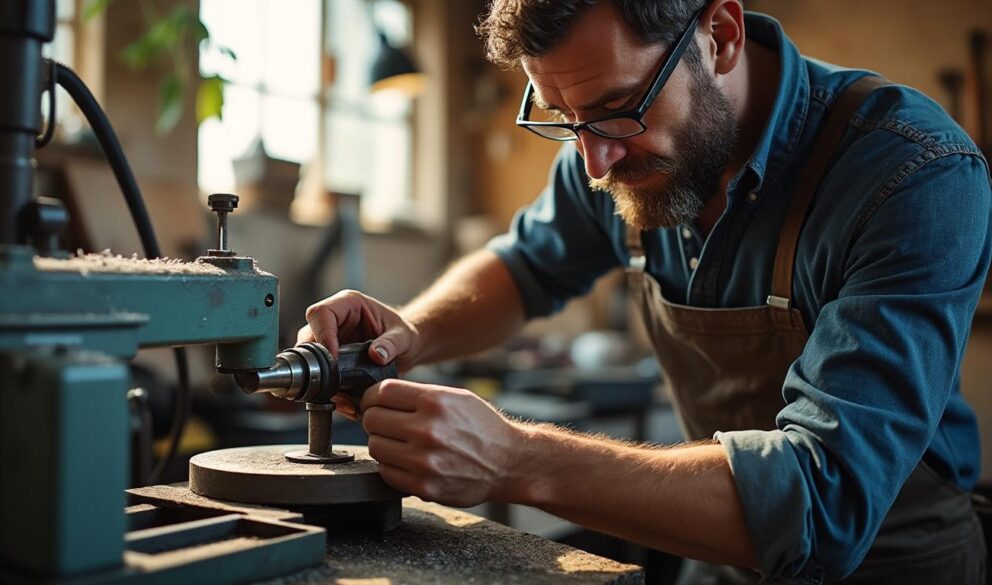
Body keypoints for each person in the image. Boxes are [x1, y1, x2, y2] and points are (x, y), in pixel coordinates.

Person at [298, 0, 992, 582]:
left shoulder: (912, 174)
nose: (595, 161)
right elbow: (524, 266)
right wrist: (407, 333)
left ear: (719, 37)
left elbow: (824, 499)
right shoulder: (610, 151)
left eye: (616, 109)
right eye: (564, 118)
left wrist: (516, 459)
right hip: (718, 560)